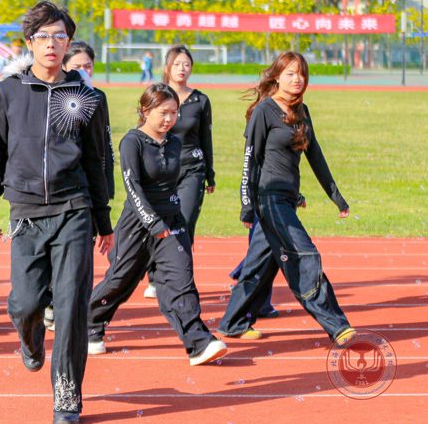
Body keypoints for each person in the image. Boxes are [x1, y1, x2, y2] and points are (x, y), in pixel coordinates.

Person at [0, 1, 113, 424]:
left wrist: (102, 218)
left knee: (73, 306)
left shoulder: (87, 96)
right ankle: (30, 338)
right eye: (43, 36)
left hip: (74, 209)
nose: (52, 44)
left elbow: (97, 160)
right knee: (24, 302)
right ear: (29, 42)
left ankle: (67, 397)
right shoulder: (9, 91)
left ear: (69, 42)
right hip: (25, 213)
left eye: (59, 36)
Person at [218, 52, 355, 346]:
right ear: (277, 76)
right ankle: (337, 325)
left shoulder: (302, 111)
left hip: (287, 198)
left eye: (302, 74)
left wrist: (336, 197)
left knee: (259, 265)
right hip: (268, 199)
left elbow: (316, 156)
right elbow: (250, 161)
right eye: (291, 73)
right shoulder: (264, 111)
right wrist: (246, 205)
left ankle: (233, 322)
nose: (297, 79)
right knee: (305, 255)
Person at [87, 83, 228, 367]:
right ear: (145, 110)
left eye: (174, 113)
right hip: (139, 224)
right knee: (120, 281)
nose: (169, 119)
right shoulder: (132, 142)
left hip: (171, 223)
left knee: (180, 281)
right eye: (164, 112)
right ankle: (88, 322)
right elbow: (132, 187)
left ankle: (199, 342)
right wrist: (152, 222)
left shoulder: (174, 142)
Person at [41, 40, 115, 331]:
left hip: (86, 191)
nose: (83, 71)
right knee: (51, 252)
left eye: (88, 66)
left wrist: (105, 188)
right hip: (55, 188)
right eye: (76, 66)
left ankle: (71, 313)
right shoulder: (54, 97)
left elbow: (103, 147)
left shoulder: (98, 97)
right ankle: (49, 299)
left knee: (79, 255)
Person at [144, 46, 215, 300]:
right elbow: (144, 133)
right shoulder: (157, 96)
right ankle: (155, 276)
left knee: (184, 223)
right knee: (159, 222)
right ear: (167, 68)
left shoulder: (201, 100)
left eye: (186, 64)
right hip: (162, 170)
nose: (182, 69)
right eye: (177, 64)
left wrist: (210, 174)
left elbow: (206, 138)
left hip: (192, 170)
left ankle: (181, 279)